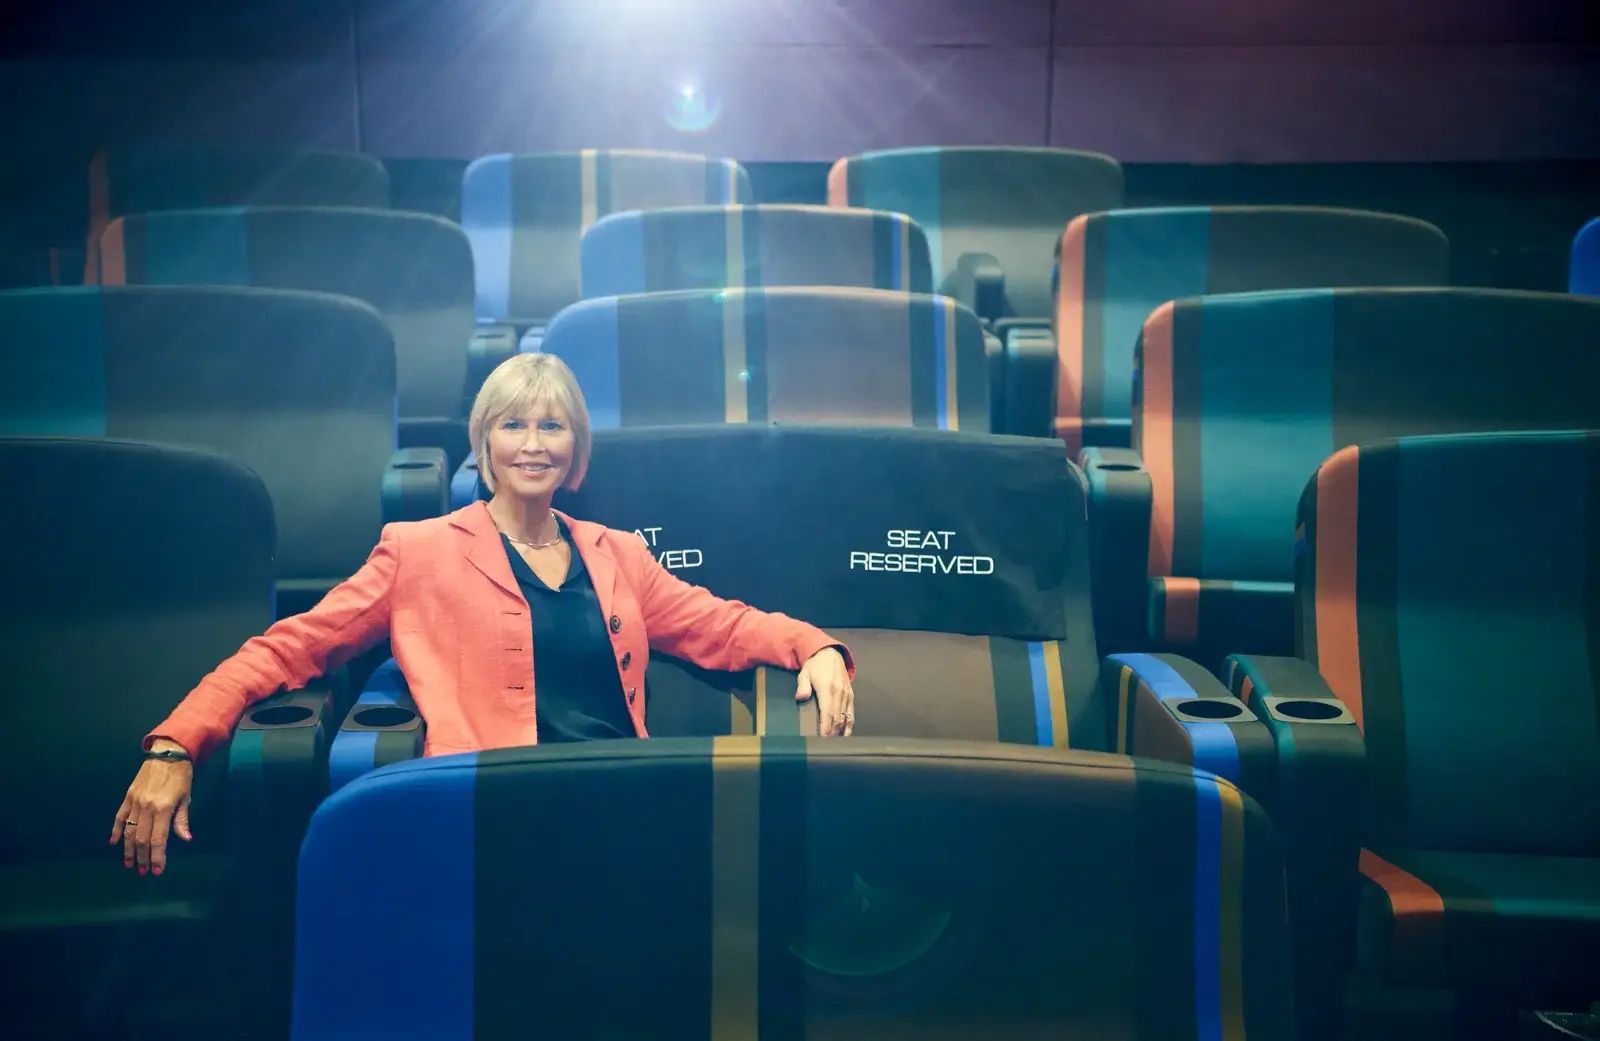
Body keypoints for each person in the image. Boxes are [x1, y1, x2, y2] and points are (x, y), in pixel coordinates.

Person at [112, 353, 855, 876]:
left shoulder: (618, 553)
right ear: (485, 442)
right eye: (513, 425)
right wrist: (177, 745)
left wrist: (815, 647)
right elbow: (286, 650)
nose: (533, 444)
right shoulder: (418, 551)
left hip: (619, 798)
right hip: (491, 812)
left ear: (577, 446)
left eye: (553, 426)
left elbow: (723, 626)